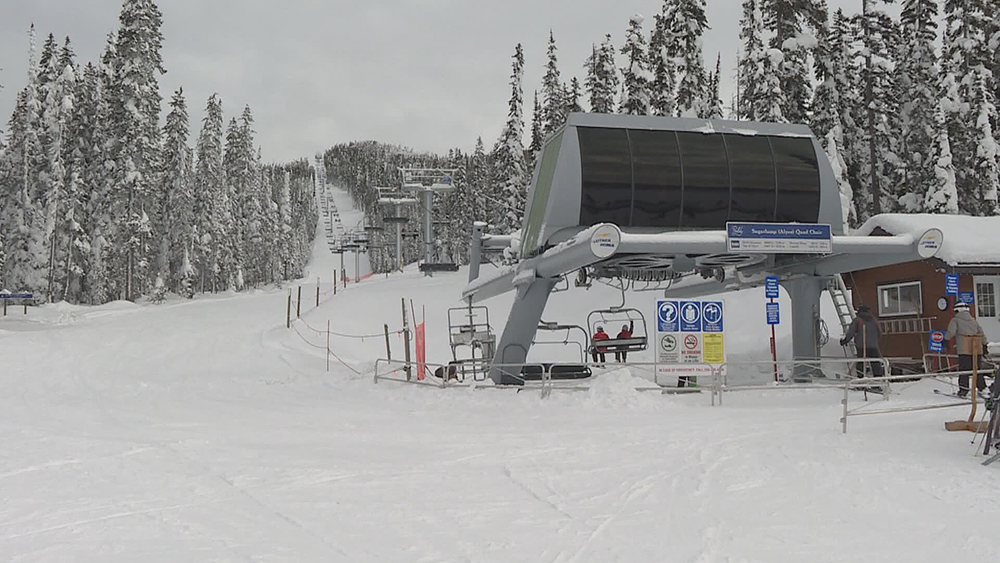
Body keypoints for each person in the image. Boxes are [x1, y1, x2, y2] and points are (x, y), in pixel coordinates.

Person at [945, 301, 987, 397]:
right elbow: (981, 333)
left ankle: (963, 390)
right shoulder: (973, 320)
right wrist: (984, 344)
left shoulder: (955, 320)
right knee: (977, 369)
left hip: (964, 349)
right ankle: (982, 387)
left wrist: (946, 339)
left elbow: (951, 332)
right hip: (976, 348)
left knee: (964, 370)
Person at [840, 303, 884, 378]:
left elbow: (851, 332)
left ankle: (861, 380)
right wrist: (874, 340)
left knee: (861, 364)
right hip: (873, 346)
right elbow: (880, 333)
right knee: (876, 364)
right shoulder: (874, 320)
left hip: (861, 346)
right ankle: (878, 381)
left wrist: (845, 341)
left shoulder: (857, 320)